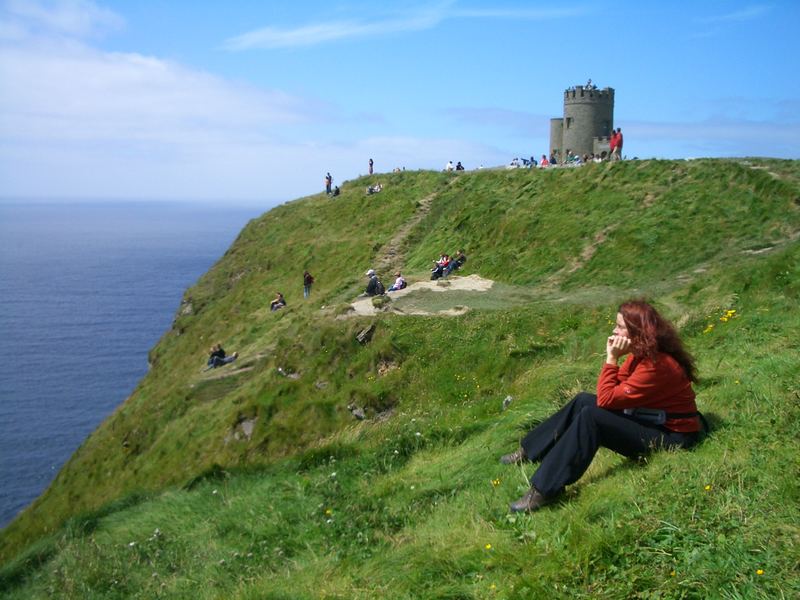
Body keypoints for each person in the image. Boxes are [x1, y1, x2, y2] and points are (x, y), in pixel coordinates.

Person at [500, 300, 704, 513]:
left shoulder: (655, 365)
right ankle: (530, 451)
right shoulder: (642, 354)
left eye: (620, 327)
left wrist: (611, 358)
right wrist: (616, 362)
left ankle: (544, 490)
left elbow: (606, 400)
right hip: (654, 422)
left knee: (592, 417)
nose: (614, 331)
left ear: (637, 332)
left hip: (673, 438)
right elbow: (611, 392)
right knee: (583, 400)